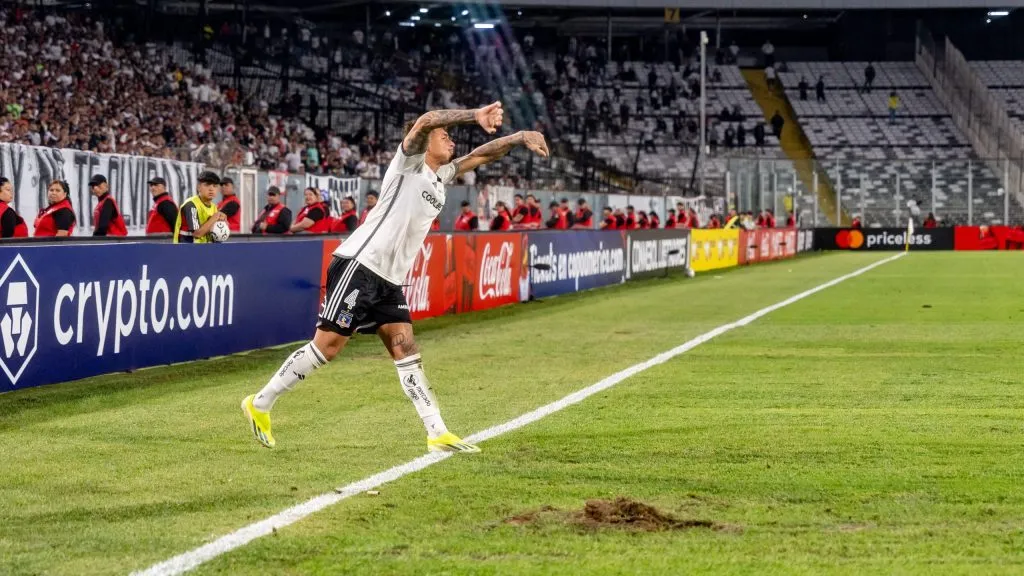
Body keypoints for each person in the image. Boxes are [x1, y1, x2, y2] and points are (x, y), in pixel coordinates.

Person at [242, 101, 549, 453]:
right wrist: (473, 115)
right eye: (444, 135)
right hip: (360, 265)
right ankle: (260, 403)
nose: (451, 141)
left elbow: (481, 155)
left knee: (406, 349)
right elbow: (427, 120)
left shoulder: (440, 176)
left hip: (389, 281)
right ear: (424, 140)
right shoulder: (408, 164)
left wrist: (520, 136)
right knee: (327, 347)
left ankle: (437, 432)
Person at [174, 171, 227, 243]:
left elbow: (216, 232)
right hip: (186, 248)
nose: (211, 189)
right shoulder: (191, 205)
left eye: (215, 186)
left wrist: (223, 222)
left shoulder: (214, 207)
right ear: (198, 187)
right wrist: (215, 218)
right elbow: (197, 234)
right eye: (207, 185)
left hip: (203, 248)